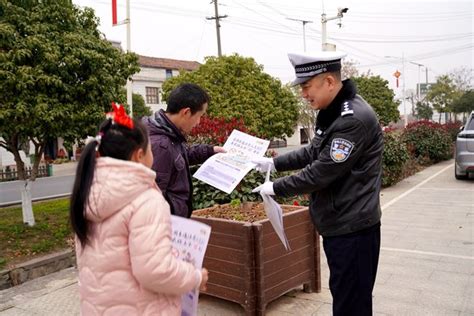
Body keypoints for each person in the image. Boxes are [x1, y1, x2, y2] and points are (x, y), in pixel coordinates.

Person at [252, 51, 383, 316]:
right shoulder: (332, 111)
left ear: (330, 82)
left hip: (353, 229)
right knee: (347, 296)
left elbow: (321, 172)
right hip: (341, 224)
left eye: (307, 86)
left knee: (351, 304)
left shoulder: (351, 120)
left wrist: (275, 188)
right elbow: (314, 152)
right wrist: (274, 164)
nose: (303, 93)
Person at [70, 103, 208, 315]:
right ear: (139, 155)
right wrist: (195, 277)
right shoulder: (146, 199)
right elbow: (154, 270)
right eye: (150, 148)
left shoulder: (87, 192)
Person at [143, 83, 225, 218]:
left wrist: (210, 150)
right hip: (168, 227)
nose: (198, 122)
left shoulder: (168, 132)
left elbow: (180, 156)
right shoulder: (160, 145)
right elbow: (152, 200)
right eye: (199, 116)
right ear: (186, 112)